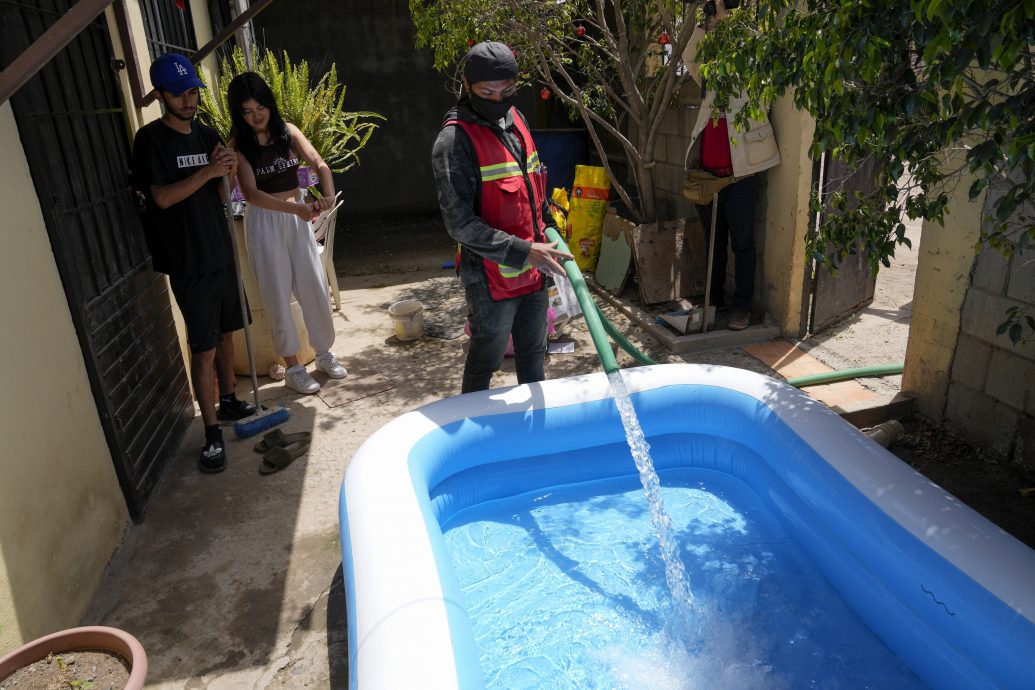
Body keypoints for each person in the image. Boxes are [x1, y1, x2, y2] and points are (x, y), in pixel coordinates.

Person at [132, 52, 256, 474]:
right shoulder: (150, 141)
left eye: (193, 93)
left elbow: (223, 197)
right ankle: (211, 434)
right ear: (160, 95)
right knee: (202, 347)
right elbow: (163, 198)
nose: (189, 101)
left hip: (218, 251)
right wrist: (207, 171)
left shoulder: (206, 135)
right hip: (188, 261)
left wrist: (229, 173)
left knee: (224, 337)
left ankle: (229, 401)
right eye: (180, 94)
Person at [431, 41, 574, 394]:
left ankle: (534, 429)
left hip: (533, 269)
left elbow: (534, 186)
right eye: (487, 91)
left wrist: (552, 231)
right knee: (487, 357)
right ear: (467, 85)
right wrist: (525, 251)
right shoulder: (454, 141)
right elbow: (459, 223)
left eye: (507, 90)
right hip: (490, 278)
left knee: (533, 351)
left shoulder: (518, 122)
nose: (498, 99)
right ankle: (476, 437)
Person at [226, 71, 348, 395]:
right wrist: (297, 209)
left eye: (260, 107)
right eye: (247, 111)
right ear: (239, 114)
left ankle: (323, 354)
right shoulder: (238, 146)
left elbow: (319, 162)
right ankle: (293, 366)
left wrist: (327, 195)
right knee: (277, 295)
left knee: (314, 286)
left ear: (269, 104)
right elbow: (250, 193)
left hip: (298, 217)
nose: (256, 116)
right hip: (264, 222)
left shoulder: (288, 132)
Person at [683, 0, 781, 330]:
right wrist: (704, 25)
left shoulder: (751, 79)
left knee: (742, 244)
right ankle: (713, 301)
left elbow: (751, 56)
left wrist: (728, 24)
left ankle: (742, 307)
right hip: (709, 177)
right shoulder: (711, 82)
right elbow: (691, 59)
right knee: (715, 243)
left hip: (740, 177)